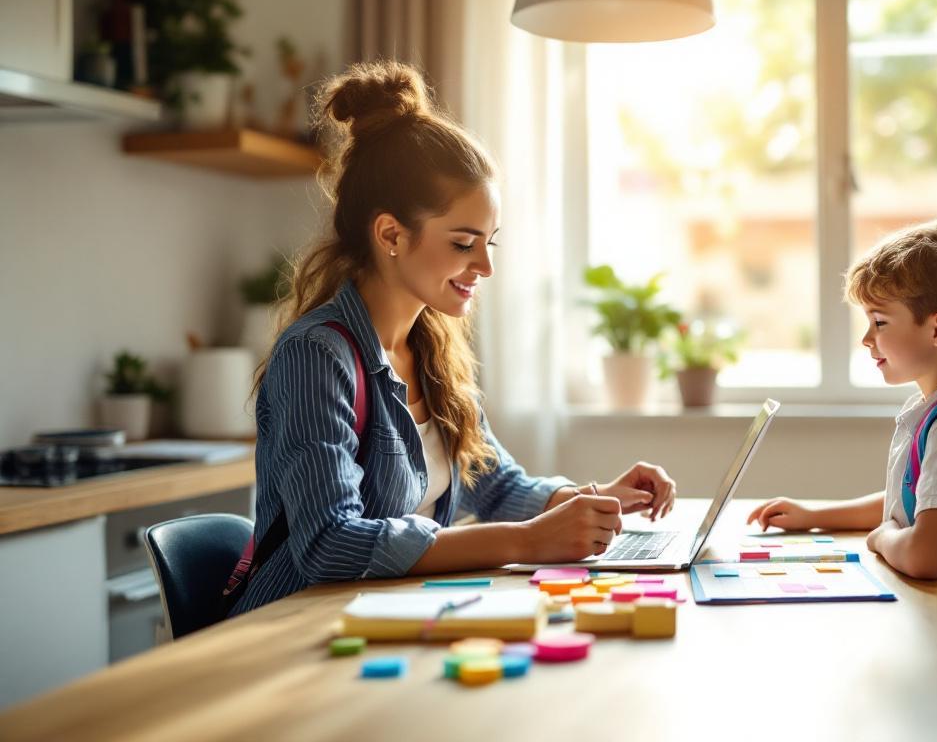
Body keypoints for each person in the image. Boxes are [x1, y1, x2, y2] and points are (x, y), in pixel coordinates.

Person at [229, 61, 676, 616]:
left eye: (490, 242)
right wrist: (526, 542)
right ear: (391, 234)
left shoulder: (432, 346)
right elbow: (329, 542)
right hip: (289, 635)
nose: (485, 265)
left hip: (382, 621)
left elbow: (494, 485)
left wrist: (592, 498)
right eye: (464, 243)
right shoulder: (318, 356)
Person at [746, 219, 937, 740]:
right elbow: (919, 504)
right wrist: (816, 516)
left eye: (879, 321)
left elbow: (925, 551)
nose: (866, 337)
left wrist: (880, 539)